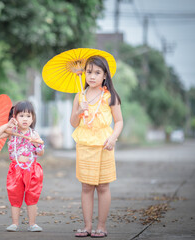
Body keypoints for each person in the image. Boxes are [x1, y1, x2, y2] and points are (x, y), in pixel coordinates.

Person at [70, 55, 123, 238]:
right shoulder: (80, 95)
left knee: (102, 187)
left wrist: (113, 138)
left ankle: (101, 226)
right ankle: (87, 226)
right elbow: (73, 123)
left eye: (97, 72)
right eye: (89, 72)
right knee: (86, 186)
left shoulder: (110, 97)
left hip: (104, 145)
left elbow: (119, 122)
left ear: (105, 75)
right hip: (84, 145)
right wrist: (78, 111)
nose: (92, 76)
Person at [0, 101, 45, 232]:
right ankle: (15, 223)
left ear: (33, 118)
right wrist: (8, 124)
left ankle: (32, 224)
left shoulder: (34, 134)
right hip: (16, 169)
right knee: (15, 196)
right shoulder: (11, 132)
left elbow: (41, 152)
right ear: (15, 117)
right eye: (21, 116)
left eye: (28, 116)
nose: (25, 119)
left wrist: (38, 145)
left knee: (32, 196)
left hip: (32, 169)